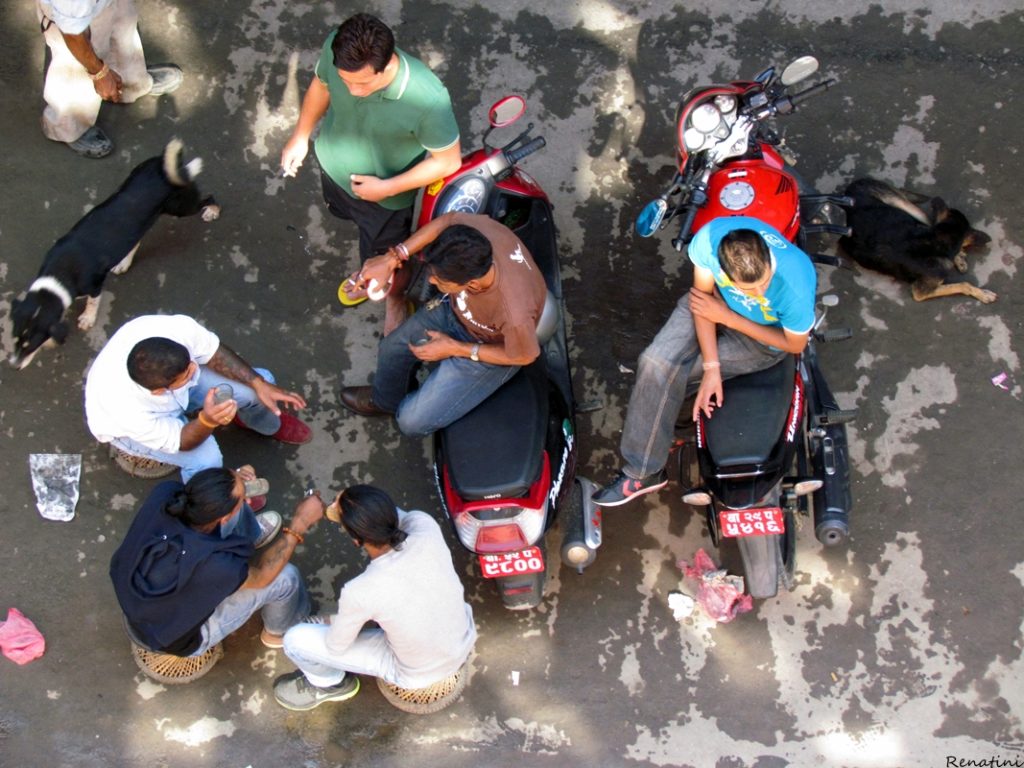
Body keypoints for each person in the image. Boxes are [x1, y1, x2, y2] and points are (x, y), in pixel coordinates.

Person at [592, 216, 817, 507]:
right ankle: (646, 471)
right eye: (748, 289)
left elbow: (794, 344)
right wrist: (712, 366)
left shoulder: (795, 282)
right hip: (711, 306)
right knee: (655, 365)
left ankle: (670, 434)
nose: (759, 294)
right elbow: (701, 301)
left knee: (678, 378)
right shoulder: (709, 242)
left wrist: (730, 317)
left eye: (763, 283)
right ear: (723, 270)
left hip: (762, 340)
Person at [279, 13, 462, 334]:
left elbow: (448, 162)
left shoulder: (428, 99)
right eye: (346, 80)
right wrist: (300, 135)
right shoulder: (336, 47)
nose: (351, 90)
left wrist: (387, 188)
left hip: (384, 201)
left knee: (385, 257)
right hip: (333, 166)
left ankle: (395, 299)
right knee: (344, 214)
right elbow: (322, 85)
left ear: (388, 63)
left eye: (362, 83)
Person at [339, 212, 547, 436]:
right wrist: (393, 257)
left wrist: (456, 348)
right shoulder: (477, 234)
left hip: (490, 346)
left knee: (410, 422)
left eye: (439, 280)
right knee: (391, 349)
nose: (430, 280)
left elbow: (523, 356)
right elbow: (447, 221)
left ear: (472, 284)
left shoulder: (514, 313)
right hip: (455, 310)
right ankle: (385, 401)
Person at [272, 484, 476, 710]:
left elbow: (336, 647)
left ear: (356, 541)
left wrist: (331, 621)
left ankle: (330, 684)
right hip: (461, 643)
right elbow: (387, 514)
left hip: (417, 673)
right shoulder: (425, 526)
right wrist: (353, 501)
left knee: (294, 640)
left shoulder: (360, 591)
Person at [110, 468, 325, 656]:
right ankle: (281, 631)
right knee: (287, 578)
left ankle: (249, 534)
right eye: (242, 497)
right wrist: (300, 523)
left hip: (137, 596)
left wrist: (232, 480)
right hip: (175, 637)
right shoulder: (219, 566)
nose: (247, 498)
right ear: (224, 518)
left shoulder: (166, 493)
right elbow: (262, 577)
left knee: (237, 511)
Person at [85, 314, 312, 482]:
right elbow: (182, 441)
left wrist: (259, 384)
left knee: (258, 387)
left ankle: (260, 421)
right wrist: (207, 420)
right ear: (159, 391)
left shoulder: (169, 330)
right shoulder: (125, 410)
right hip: (135, 430)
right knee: (206, 460)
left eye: (191, 363)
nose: (196, 370)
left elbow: (213, 353)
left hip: (171, 393)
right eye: (186, 374)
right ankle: (216, 500)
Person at [37, 0, 183, 158]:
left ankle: (130, 82)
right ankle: (70, 127)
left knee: (122, 24)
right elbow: (72, 34)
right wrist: (99, 73)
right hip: (73, 24)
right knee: (74, 69)